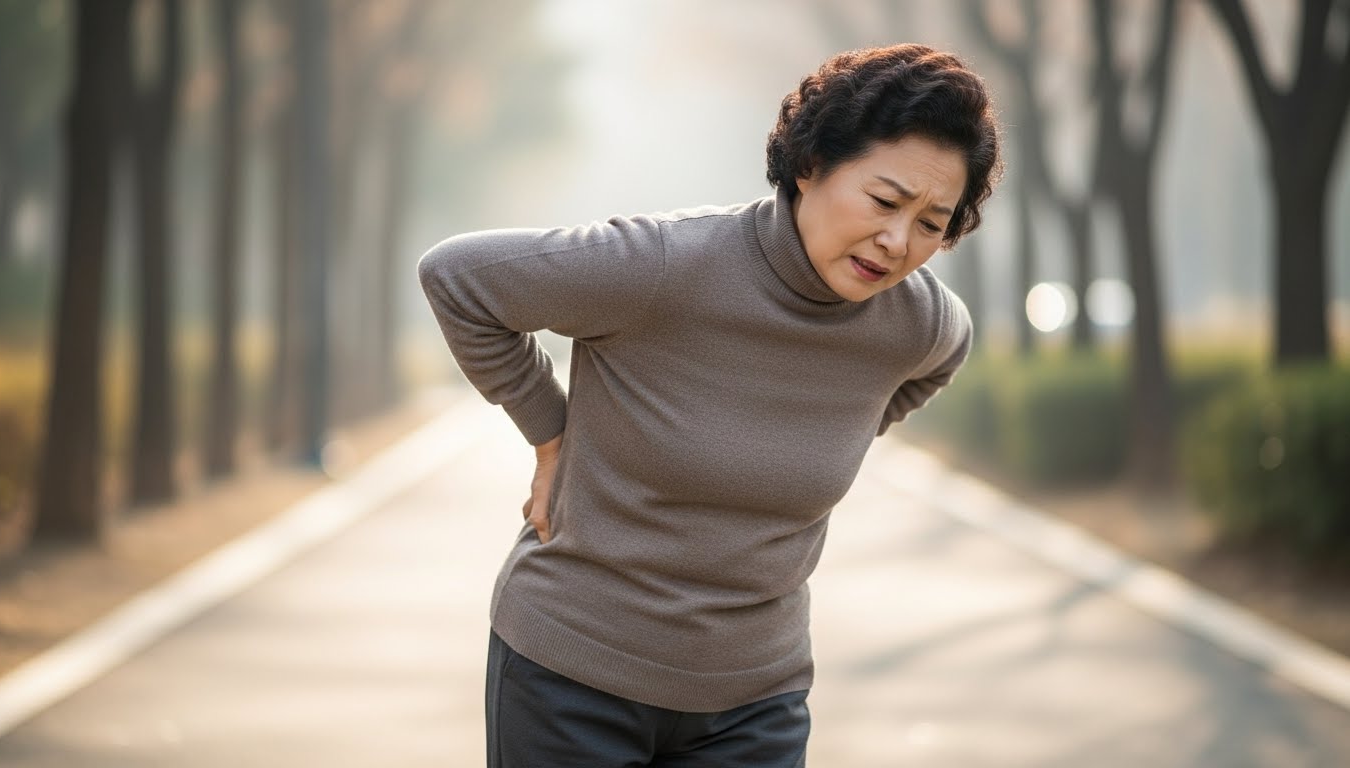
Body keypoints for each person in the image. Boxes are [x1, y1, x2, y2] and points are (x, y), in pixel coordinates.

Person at [418, 43, 1002, 767]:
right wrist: (550, 434)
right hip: (571, 676)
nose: (895, 240)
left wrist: (835, 426)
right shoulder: (664, 264)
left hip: (756, 699)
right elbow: (458, 279)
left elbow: (940, 357)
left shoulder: (915, 323)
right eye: (884, 201)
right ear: (810, 164)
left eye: (929, 223)